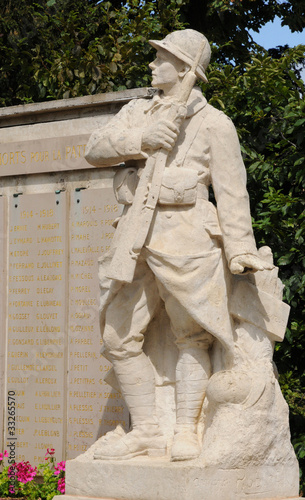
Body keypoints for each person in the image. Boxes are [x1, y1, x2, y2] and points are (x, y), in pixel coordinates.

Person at [85, 29, 273, 462]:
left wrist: (240, 249)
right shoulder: (139, 111)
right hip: (134, 237)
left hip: (188, 239)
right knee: (117, 336)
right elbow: (94, 148)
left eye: (162, 57)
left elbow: (232, 192)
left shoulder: (214, 123)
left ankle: (186, 430)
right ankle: (148, 430)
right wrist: (141, 140)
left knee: (192, 336)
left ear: (186, 69)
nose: (152, 64)